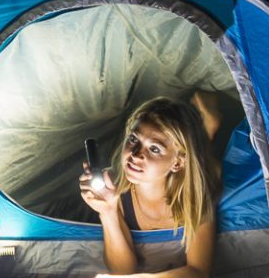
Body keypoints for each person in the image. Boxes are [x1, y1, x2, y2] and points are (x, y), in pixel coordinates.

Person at [77, 96, 221, 278]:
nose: (135, 155)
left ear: (177, 164)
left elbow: (199, 272)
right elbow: (122, 270)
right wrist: (108, 212)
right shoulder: (113, 186)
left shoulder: (196, 194)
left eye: (154, 149)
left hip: (200, 172)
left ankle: (209, 128)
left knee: (212, 168)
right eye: (133, 139)